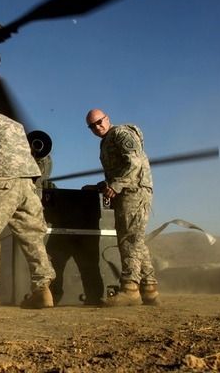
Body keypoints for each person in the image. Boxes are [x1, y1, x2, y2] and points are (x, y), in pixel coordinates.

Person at [0, 99, 55, 309]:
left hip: (1, 182)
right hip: (27, 184)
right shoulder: (17, 126)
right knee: (33, 237)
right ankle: (43, 291)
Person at [83, 108, 160, 306]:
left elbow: (133, 162)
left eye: (99, 122)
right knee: (135, 239)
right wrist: (104, 185)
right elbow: (118, 170)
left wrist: (116, 185)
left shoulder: (121, 133)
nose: (97, 127)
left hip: (134, 191)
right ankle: (149, 288)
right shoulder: (106, 141)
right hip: (127, 191)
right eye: (92, 126)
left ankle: (130, 289)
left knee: (128, 239)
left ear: (107, 119)